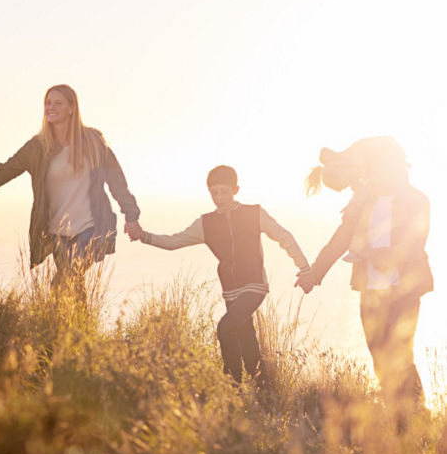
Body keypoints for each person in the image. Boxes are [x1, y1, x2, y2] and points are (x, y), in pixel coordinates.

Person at [0, 84, 140, 302]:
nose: (50, 107)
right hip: (56, 232)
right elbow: (2, 172)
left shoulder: (93, 142)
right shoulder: (37, 147)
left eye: (57, 103)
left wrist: (131, 217)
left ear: (72, 108)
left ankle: (68, 330)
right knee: (71, 282)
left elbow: (118, 183)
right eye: (47, 103)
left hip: (90, 228)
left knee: (64, 280)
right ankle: (79, 331)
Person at [129, 165, 310, 384]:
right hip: (230, 291)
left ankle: (231, 385)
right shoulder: (206, 223)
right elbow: (173, 242)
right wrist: (143, 236)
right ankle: (264, 387)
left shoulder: (254, 213)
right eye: (214, 192)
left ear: (236, 189)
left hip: (254, 285)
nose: (219, 197)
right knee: (246, 336)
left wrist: (304, 268)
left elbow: (284, 237)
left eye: (224, 191)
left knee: (225, 327)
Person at [296, 137, 432, 408]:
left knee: (401, 353)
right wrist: (315, 272)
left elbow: (412, 243)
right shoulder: (363, 201)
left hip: (404, 289)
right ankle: (397, 414)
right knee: (379, 356)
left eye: (379, 170)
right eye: (371, 170)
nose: (372, 176)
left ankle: (417, 415)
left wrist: (371, 253)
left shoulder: (417, 200)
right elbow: (342, 237)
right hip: (370, 289)